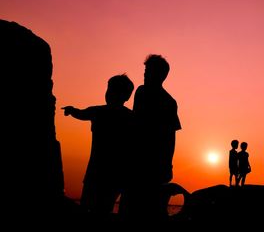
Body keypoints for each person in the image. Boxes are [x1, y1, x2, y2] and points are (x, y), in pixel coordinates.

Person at [120, 54, 181, 223]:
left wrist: (168, 163)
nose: (145, 75)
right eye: (145, 71)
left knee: (147, 210)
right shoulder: (143, 92)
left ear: (160, 75)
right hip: (137, 159)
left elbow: (170, 136)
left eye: (148, 71)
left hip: (152, 162)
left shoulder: (167, 101)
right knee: (132, 207)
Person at [62, 74, 134, 216]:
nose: (108, 94)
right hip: (113, 173)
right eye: (108, 90)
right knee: (102, 209)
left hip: (101, 171)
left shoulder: (100, 112)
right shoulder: (129, 116)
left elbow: (82, 114)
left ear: (125, 96)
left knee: (89, 208)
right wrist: (72, 110)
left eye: (111, 90)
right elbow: (81, 113)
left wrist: (72, 111)